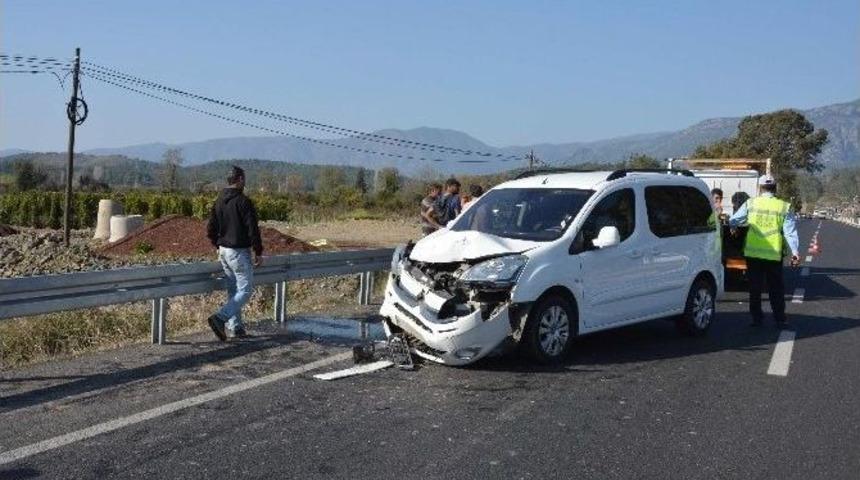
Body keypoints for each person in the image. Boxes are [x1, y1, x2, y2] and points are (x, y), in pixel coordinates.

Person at [729, 174, 800, 328]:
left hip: (753, 254)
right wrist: (795, 252)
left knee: (755, 288)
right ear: (775, 188)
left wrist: (734, 228)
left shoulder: (751, 203)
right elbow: (790, 232)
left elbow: (734, 220)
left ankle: (756, 319)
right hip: (773, 255)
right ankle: (780, 319)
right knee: (776, 288)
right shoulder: (784, 206)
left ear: (760, 188)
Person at [206, 166, 263, 341]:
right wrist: (258, 251)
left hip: (223, 251)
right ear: (239, 179)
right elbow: (252, 228)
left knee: (233, 290)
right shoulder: (243, 201)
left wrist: (217, 244)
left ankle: (236, 327)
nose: (244, 182)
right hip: (238, 252)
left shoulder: (219, 200)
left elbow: (210, 228)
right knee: (245, 291)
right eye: (243, 179)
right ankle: (220, 318)